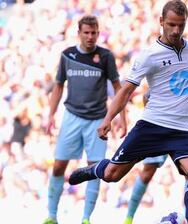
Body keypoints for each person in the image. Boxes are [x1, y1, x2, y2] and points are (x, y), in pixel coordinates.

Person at [68, 1, 188, 224]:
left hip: (183, 130)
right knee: (113, 175)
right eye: (171, 24)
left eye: (180, 25)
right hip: (152, 126)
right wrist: (108, 118)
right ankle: (94, 170)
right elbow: (125, 92)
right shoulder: (149, 56)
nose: (175, 30)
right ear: (161, 22)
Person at [43, 15, 127, 224]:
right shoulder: (67, 55)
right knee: (58, 166)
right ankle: (52, 215)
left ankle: (86, 218)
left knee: (95, 168)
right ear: (79, 33)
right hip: (71, 117)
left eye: (94, 33)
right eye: (86, 33)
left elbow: (118, 88)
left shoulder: (106, 56)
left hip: (97, 120)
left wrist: (121, 118)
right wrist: (51, 115)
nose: (90, 37)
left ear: (98, 33)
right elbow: (59, 85)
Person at [123, 88, 188, 224]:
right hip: (160, 130)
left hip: (183, 135)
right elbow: (147, 96)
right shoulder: (178, 80)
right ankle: (128, 218)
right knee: (147, 172)